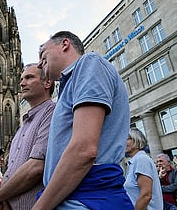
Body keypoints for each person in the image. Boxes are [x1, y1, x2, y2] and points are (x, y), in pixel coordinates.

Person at [33, 31, 133, 210]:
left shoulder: (89, 63)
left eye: (42, 54)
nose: (39, 64)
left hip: (85, 201)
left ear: (65, 44)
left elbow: (84, 150)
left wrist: (40, 207)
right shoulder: (70, 85)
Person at [0, 63, 55, 210]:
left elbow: (36, 168)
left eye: (29, 77)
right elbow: (11, 170)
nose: (21, 83)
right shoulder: (22, 127)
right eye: (21, 79)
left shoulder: (53, 113)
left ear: (47, 82)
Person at [124, 127, 163, 210]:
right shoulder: (133, 162)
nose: (122, 142)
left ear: (137, 140)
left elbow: (146, 195)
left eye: (126, 138)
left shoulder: (141, 159)